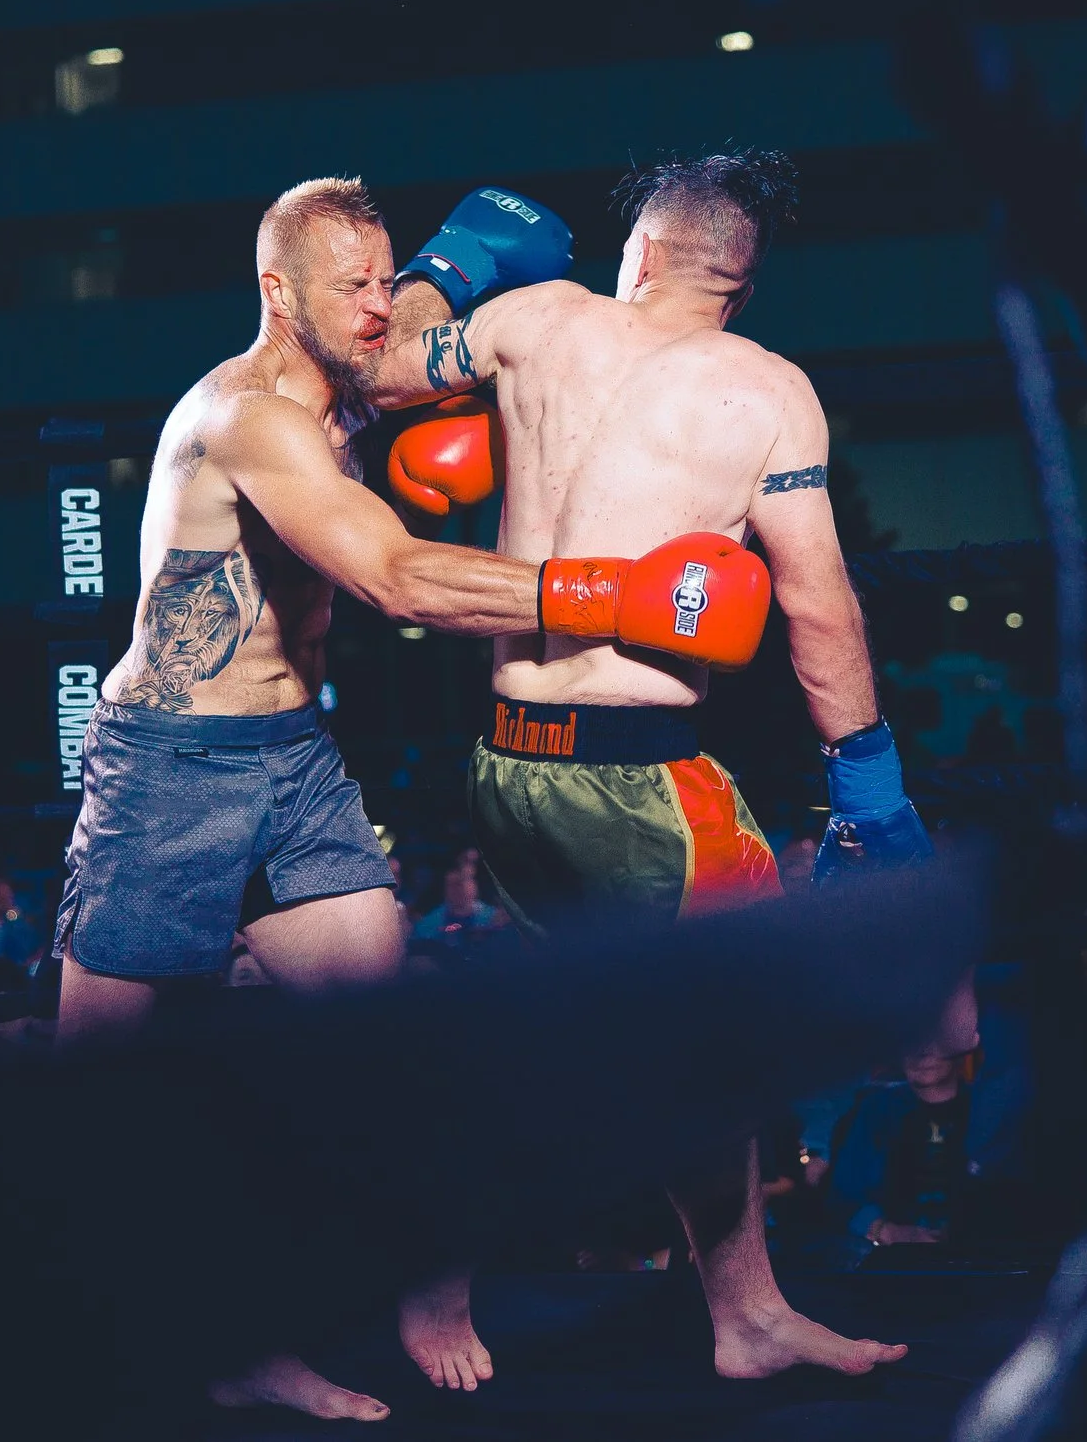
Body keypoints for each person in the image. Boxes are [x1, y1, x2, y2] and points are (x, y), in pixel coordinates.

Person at [52, 174, 744, 1425]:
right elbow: (398, 576)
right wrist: (613, 593)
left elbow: (432, 309)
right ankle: (155, 1340)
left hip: (294, 757)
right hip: (166, 769)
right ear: (278, 294)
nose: (380, 310)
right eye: (352, 289)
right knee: (108, 1092)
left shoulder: (358, 343)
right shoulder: (247, 418)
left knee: (387, 1033)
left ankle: (425, 1287)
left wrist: (474, 269)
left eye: (385, 281)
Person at [369, 153, 921, 1384]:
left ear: (641, 253)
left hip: (507, 768)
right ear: (741, 277)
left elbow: (379, 361)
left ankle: (745, 1310)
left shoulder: (527, 321)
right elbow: (817, 607)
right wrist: (871, 786)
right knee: (720, 1032)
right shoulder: (766, 391)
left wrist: (441, 274)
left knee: (679, 1050)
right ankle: (442, 1264)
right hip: (642, 787)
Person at [825, 1043, 978, 1263]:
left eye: (934, 1041)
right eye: (911, 1040)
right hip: (890, 1265)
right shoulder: (875, 1111)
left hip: (977, 1264)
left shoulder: (986, 1111)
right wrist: (887, 1231)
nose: (922, 1053)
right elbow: (842, 1195)